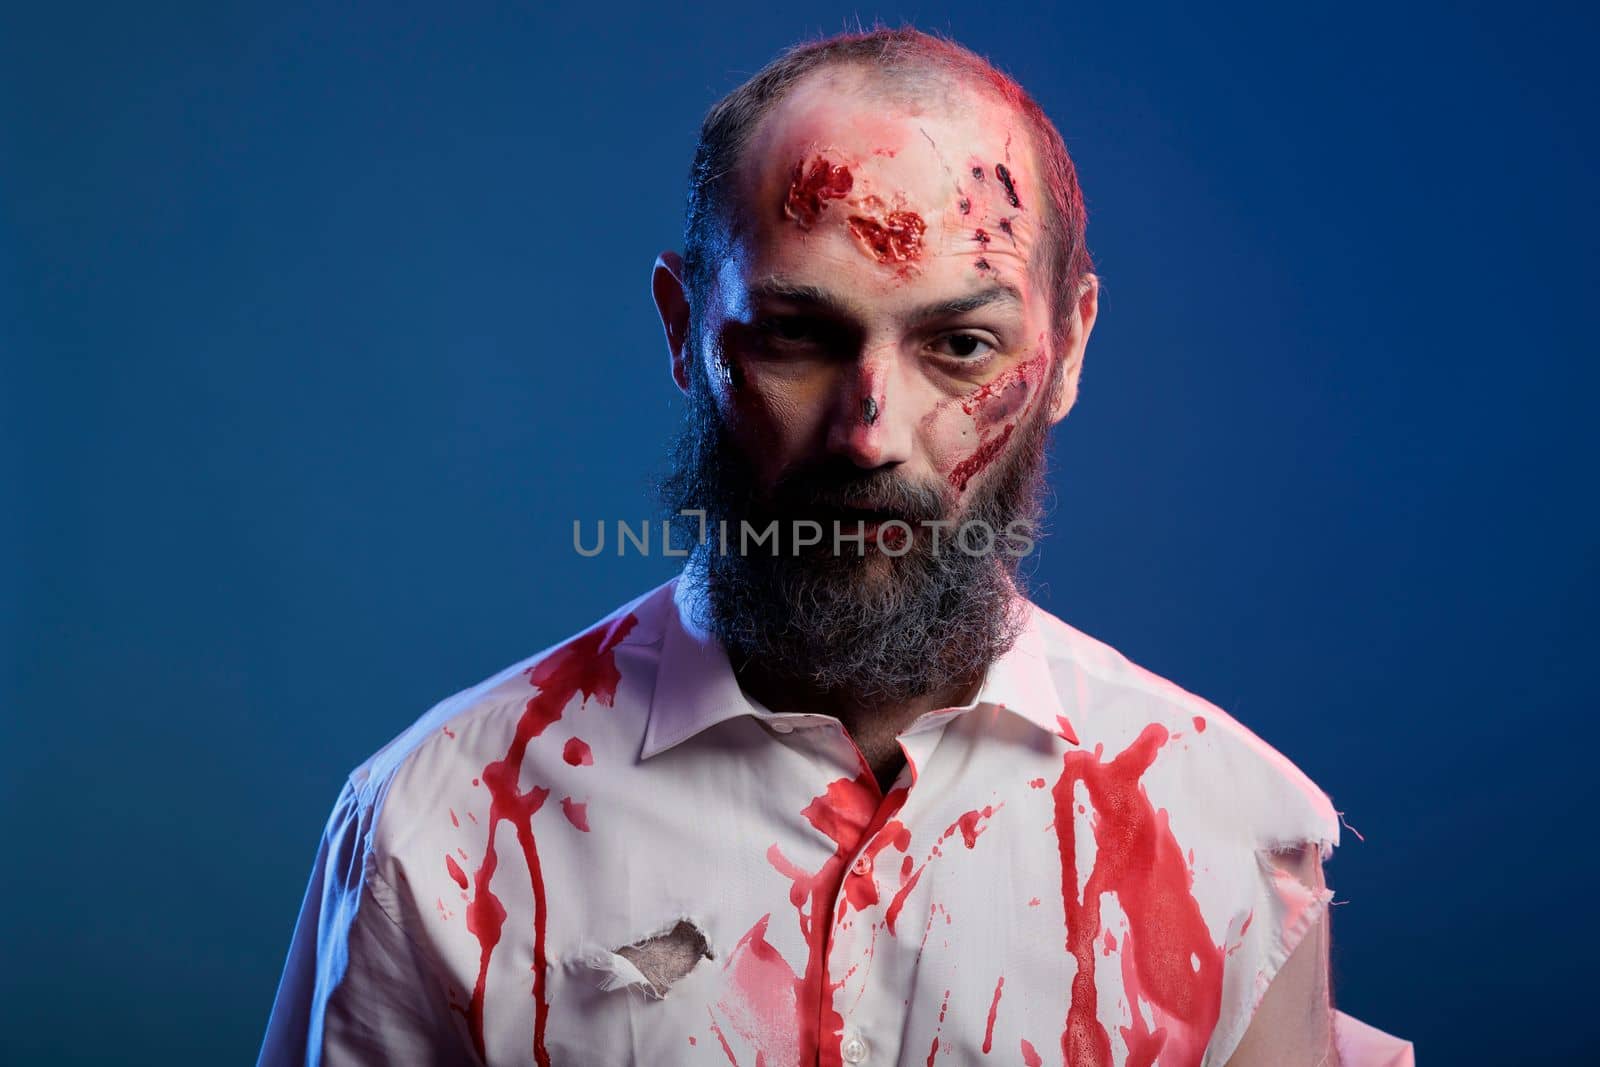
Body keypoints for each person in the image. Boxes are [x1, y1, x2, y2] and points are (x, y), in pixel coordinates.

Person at [258, 27, 1414, 1067]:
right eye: (799, 337)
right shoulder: (440, 829)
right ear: (684, 331)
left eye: (961, 343)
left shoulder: (1228, 834)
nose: (869, 433)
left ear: (1065, 349)